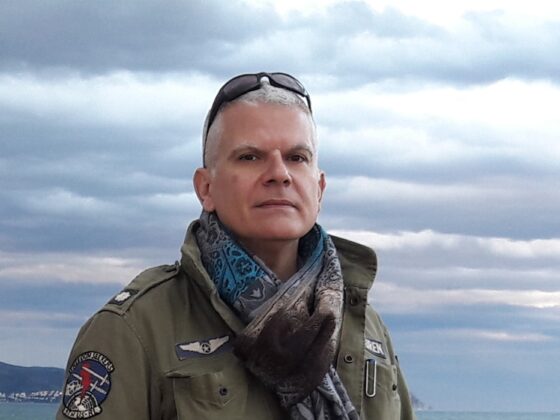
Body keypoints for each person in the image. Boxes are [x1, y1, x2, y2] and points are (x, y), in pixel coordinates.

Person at [57, 72, 416, 420]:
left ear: (319, 189)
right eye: (250, 157)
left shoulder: (365, 326)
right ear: (206, 188)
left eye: (297, 157)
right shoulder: (137, 328)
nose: (279, 174)